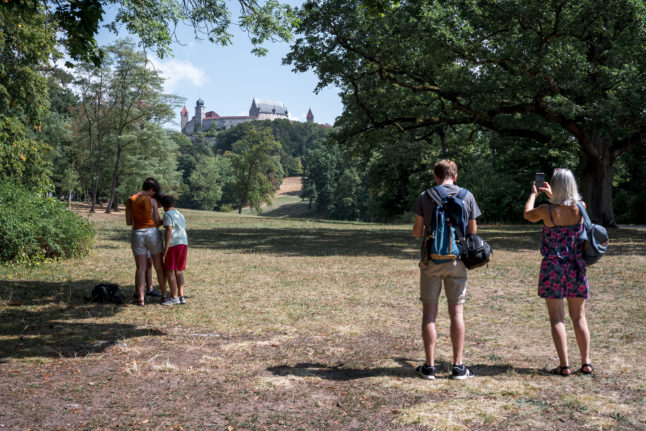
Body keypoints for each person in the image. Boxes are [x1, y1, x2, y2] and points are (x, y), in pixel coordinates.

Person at [411, 159, 481, 380]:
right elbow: (473, 231)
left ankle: (429, 367)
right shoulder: (467, 196)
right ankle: (458, 367)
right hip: (457, 261)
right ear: (455, 176)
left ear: (435, 175)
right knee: (456, 313)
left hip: (431, 260)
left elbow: (416, 232)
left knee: (430, 314)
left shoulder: (425, 196)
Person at [523, 168, 593, 376]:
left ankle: (564, 366)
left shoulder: (546, 210)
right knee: (579, 317)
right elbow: (566, 204)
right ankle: (586, 362)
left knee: (557, 318)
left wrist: (534, 194)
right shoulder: (581, 207)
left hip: (553, 268)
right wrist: (555, 195)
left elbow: (527, 214)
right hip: (576, 267)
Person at [125, 178, 167, 306]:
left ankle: (141, 299)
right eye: (155, 191)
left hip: (137, 234)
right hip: (152, 233)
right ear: (151, 190)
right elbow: (156, 221)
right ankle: (164, 296)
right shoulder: (152, 200)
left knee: (140, 268)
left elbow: (128, 222)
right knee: (159, 266)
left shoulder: (130, 199)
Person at [159, 194, 188, 306]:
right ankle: (181, 296)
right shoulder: (180, 214)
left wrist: (166, 248)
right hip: (184, 242)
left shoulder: (167, 214)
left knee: (169, 270)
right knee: (178, 270)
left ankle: (174, 297)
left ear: (163, 206)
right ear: (173, 204)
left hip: (174, 244)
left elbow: (169, 230)